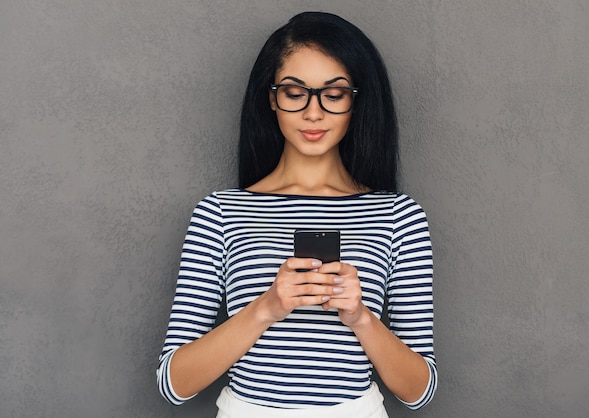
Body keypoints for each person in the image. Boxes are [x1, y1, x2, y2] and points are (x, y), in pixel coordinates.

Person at [157, 11, 437, 417]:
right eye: (294, 92)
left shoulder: (398, 216)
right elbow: (172, 383)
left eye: (334, 94)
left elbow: (420, 391)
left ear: (356, 101)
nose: (313, 112)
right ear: (272, 97)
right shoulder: (219, 212)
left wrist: (360, 317)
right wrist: (267, 306)